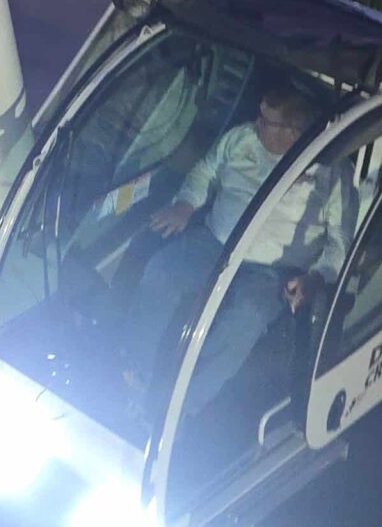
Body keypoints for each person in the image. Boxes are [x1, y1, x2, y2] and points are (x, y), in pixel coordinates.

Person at [125, 84, 350, 414]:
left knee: (247, 318)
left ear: (292, 132)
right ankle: (134, 376)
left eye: (266, 121)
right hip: (214, 243)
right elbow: (206, 170)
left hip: (271, 272)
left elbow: (340, 240)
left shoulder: (333, 172)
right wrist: (186, 204)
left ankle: (179, 406)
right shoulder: (241, 139)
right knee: (161, 271)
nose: (257, 123)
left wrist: (316, 278)